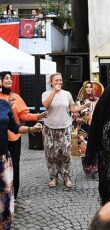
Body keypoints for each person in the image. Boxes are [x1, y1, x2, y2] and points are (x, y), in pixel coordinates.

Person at [0, 71, 47, 199]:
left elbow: (24, 115)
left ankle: (13, 195)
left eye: (10, 78)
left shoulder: (16, 97)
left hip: (14, 138)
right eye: (6, 78)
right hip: (1, 140)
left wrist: (38, 116)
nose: (9, 81)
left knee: (14, 166)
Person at [0, 97, 42, 229]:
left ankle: (4, 225)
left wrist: (32, 129)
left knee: (6, 195)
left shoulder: (4, 105)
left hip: (3, 157)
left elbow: (15, 127)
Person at [42, 73, 89, 188]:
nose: (59, 82)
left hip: (65, 126)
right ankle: (53, 177)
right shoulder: (46, 93)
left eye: (61, 80)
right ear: (51, 82)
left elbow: (72, 108)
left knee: (65, 153)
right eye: (57, 80)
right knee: (50, 153)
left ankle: (66, 176)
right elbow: (46, 105)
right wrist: (54, 92)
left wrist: (83, 107)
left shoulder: (67, 94)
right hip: (49, 127)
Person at [76, 81, 99, 178]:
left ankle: (95, 169)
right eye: (87, 87)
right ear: (84, 89)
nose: (89, 89)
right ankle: (87, 168)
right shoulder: (79, 102)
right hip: (83, 128)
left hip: (95, 127)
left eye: (90, 87)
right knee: (84, 149)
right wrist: (79, 119)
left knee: (95, 148)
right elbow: (75, 116)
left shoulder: (97, 100)